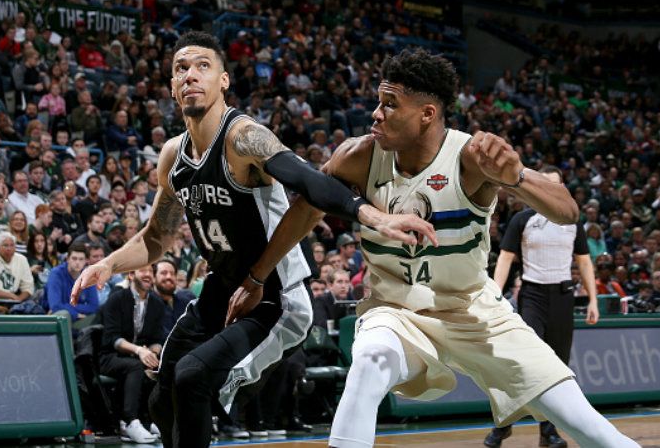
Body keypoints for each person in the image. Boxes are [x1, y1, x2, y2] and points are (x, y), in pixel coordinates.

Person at [71, 32, 435, 448]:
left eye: (202, 66)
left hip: (273, 295)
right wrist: (108, 265)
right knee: (161, 401)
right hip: (222, 290)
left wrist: (370, 215)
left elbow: (308, 181)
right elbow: (156, 237)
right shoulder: (173, 156)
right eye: (181, 69)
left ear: (223, 80)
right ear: (172, 87)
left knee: (191, 378)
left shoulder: (242, 137)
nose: (190, 75)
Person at [303, 48, 638, 448]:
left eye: (389, 104)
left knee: (590, 427)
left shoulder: (470, 156)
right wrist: (258, 274)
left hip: (474, 308)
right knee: (369, 362)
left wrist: (516, 178)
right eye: (379, 101)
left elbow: (567, 211)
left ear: (427, 113)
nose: (375, 113)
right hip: (395, 310)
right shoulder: (359, 156)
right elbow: (307, 201)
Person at [484, 166, 600, 448]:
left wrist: (593, 299)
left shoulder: (573, 222)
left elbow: (584, 262)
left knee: (557, 368)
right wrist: (496, 295)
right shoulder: (522, 219)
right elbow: (506, 258)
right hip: (532, 296)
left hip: (563, 297)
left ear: (562, 190)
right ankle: (504, 424)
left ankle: (548, 432)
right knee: (526, 364)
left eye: (555, 186)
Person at [99, 264, 164, 444]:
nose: (148, 275)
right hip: (109, 356)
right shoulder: (117, 299)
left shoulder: (157, 303)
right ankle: (130, 422)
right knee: (135, 366)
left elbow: (158, 338)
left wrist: (153, 352)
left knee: (159, 364)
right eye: (143, 270)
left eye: (151, 271)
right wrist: (139, 350)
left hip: (138, 355)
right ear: (131, 274)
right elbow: (113, 339)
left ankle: (152, 420)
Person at [45, 243, 98, 326]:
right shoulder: (56, 274)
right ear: (67, 259)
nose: (77, 262)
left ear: (86, 261)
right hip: (57, 319)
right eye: (74, 258)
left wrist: (68, 306)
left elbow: (94, 306)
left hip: (81, 318)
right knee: (64, 315)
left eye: (81, 259)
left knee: (99, 317)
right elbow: (55, 305)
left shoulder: (89, 277)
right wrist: (76, 314)